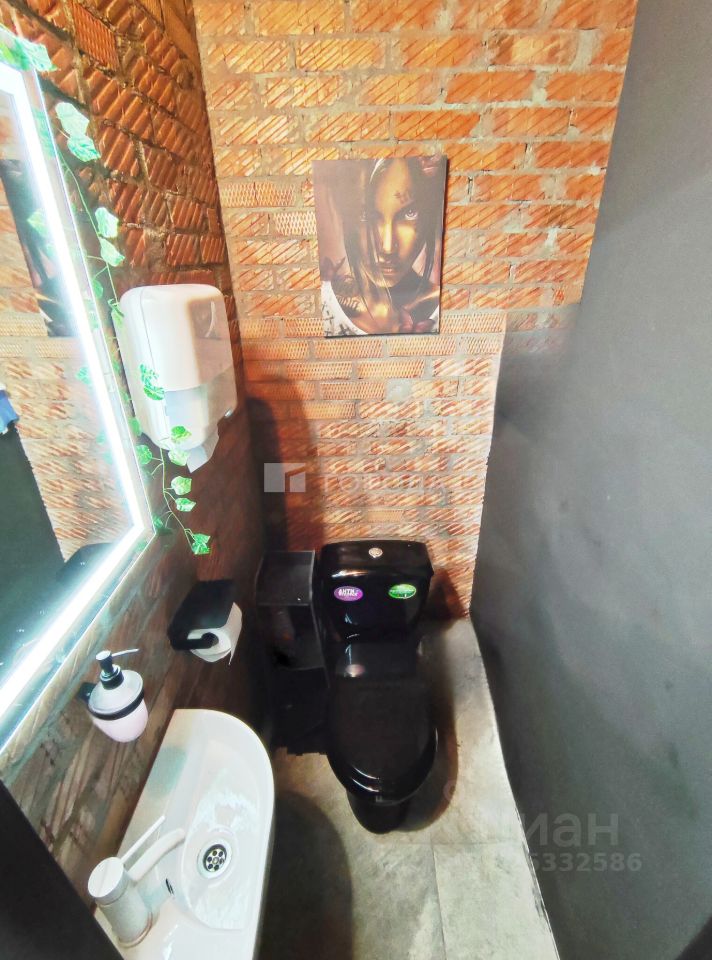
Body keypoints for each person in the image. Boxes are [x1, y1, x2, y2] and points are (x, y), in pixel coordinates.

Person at [319, 157, 445, 336]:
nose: (387, 247)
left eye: (410, 213)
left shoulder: (438, 307)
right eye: (366, 215)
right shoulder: (330, 303)